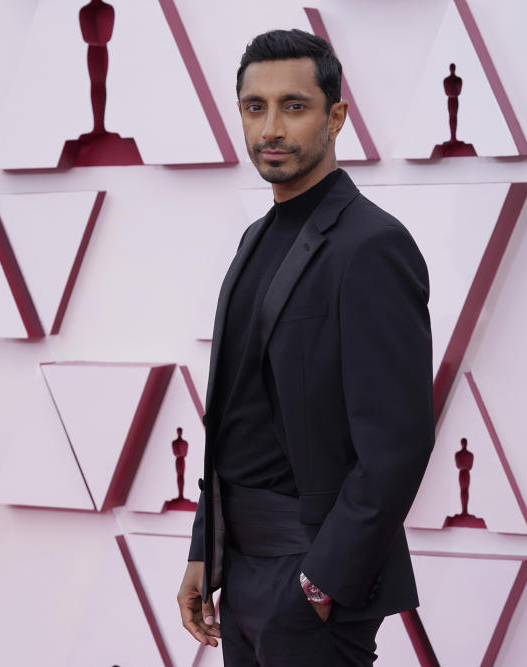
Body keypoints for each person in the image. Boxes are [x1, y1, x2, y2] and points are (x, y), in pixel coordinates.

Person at [176, 29, 434, 666]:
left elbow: (398, 441)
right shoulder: (253, 241)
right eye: (253, 107)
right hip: (238, 572)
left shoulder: (372, 245)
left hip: (312, 578)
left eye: (294, 105)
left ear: (336, 116)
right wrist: (203, 549)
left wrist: (323, 581)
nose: (271, 127)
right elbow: (236, 417)